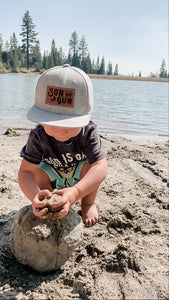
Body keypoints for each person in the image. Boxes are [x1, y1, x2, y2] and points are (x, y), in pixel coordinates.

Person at [18, 64, 107, 227]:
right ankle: (48, 201)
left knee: (90, 167)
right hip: (52, 176)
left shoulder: (88, 132)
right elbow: (25, 172)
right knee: (38, 170)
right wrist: (34, 196)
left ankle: (87, 204)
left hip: (79, 179)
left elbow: (101, 167)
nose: (60, 130)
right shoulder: (38, 136)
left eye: (69, 125)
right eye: (51, 123)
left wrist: (75, 193)